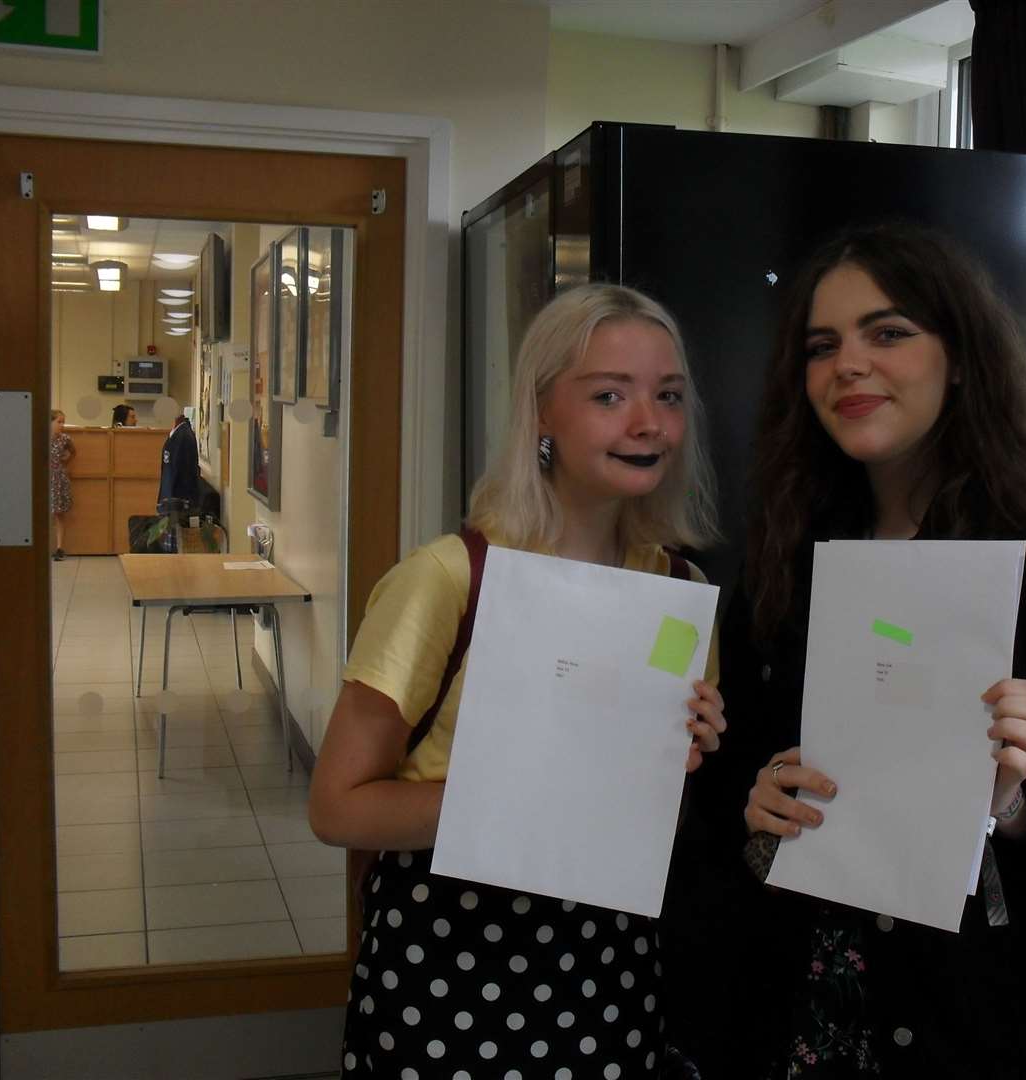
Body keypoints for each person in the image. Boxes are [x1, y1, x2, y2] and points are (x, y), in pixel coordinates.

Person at [680, 222, 1026, 1079]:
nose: (849, 364)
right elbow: (736, 776)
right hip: (798, 1009)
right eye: (822, 345)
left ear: (961, 355)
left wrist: (1016, 802)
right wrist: (752, 795)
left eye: (889, 332)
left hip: (980, 1027)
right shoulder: (790, 554)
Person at [310, 283, 728, 1077]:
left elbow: (656, 830)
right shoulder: (450, 578)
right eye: (609, 395)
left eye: (668, 397)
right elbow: (336, 808)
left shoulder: (676, 590)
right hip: (449, 958)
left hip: (609, 961)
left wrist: (677, 763)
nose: (648, 423)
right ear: (541, 415)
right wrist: (533, 791)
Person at [157, 412, 199, 512]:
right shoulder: (177, 433)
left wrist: (168, 502)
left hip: (177, 499)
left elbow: (178, 472)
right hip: (172, 497)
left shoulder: (183, 436)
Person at [48, 408, 74, 561]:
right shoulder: (42, 438)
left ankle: (59, 547)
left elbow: (74, 452)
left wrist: (66, 460)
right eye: (59, 422)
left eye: (63, 422)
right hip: (46, 477)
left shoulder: (65, 439)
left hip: (58, 477)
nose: (62, 425)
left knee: (59, 513)